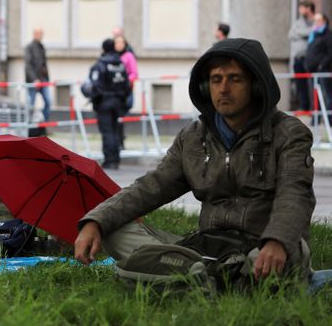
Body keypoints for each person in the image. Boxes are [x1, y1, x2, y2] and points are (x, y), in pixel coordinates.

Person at [74, 38, 315, 282]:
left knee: (291, 252)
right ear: (204, 87)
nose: (223, 88)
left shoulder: (289, 133)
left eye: (235, 79)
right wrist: (97, 220)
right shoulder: (192, 137)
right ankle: (208, 275)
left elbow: (295, 195)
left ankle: (188, 276)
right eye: (216, 79)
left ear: (256, 86)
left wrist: (277, 240)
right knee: (114, 231)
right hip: (206, 249)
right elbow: (151, 186)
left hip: (262, 248)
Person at [89, 39, 132, 170]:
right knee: (115, 130)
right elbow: (127, 85)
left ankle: (110, 160)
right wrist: (122, 100)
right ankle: (116, 158)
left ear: (104, 49)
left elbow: (95, 86)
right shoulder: (120, 63)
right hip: (118, 102)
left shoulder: (100, 64)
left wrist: (96, 101)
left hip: (105, 102)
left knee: (107, 132)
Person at [289, 0, 316, 111]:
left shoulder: (316, 21)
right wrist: (304, 33)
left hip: (309, 59)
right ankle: (304, 107)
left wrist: (300, 33)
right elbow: (290, 34)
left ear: (308, 8)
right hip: (298, 59)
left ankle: (315, 110)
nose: (300, 10)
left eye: (301, 8)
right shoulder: (298, 22)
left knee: (312, 85)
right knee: (300, 85)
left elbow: (312, 32)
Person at [114, 34, 138, 149]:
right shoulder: (112, 56)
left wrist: (125, 81)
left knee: (120, 117)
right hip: (114, 91)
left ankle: (121, 141)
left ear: (125, 44)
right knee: (116, 117)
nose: (118, 45)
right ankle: (118, 140)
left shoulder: (128, 56)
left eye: (121, 43)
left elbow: (134, 73)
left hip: (125, 91)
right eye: (116, 43)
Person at [306, 13, 332, 110]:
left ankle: (329, 120)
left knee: (326, 94)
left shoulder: (327, 34)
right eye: (315, 20)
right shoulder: (313, 34)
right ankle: (315, 118)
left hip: (322, 69)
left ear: (324, 21)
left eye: (318, 20)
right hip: (312, 68)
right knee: (314, 95)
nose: (316, 22)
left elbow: (330, 53)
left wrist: (322, 65)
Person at [25, 27, 51, 122]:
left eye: (41, 33)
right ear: (34, 34)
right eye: (39, 33)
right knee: (31, 104)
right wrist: (34, 79)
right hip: (33, 81)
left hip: (43, 80)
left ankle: (44, 124)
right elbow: (28, 65)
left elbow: (44, 64)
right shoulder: (29, 47)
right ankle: (28, 125)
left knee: (48, 101)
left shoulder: (41, 47)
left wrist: (47, 79)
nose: (40, 36)